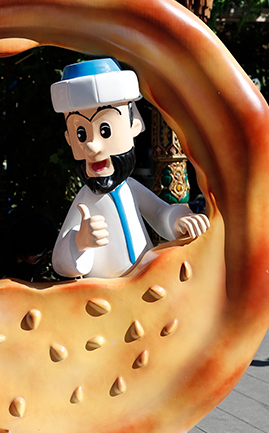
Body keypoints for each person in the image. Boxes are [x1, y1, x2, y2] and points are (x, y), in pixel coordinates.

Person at [50, 58, 209, 279]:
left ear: (134, 126)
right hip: (106, 293)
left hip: (144, 284)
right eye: (81, 134)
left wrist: (177, 220)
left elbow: (159, 213)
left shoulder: (130, 188)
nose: (92, 147)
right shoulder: (85, 200)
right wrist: (79, 242)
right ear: (69, 139)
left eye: (105, 130)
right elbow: (60, 262)